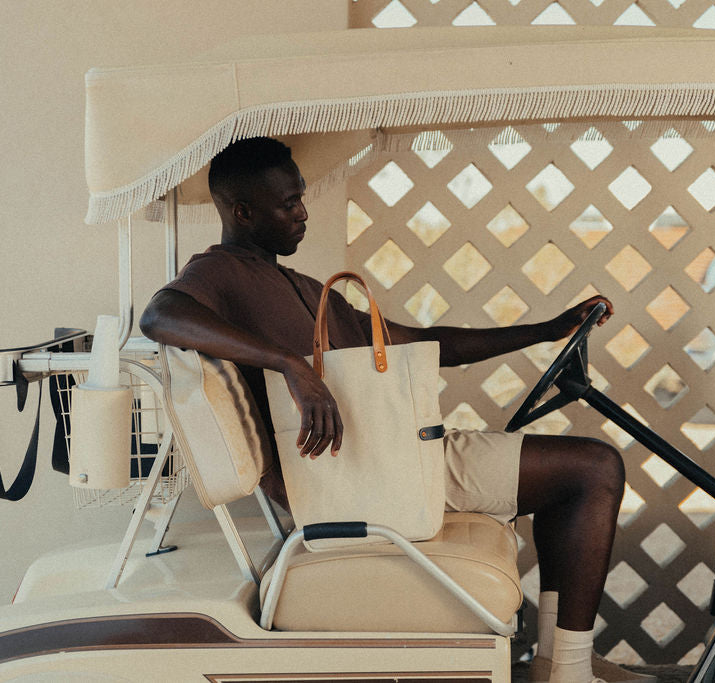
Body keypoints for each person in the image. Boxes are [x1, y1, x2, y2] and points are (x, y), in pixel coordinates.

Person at [140, 137, 650, 683]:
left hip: (392, 458)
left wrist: (546, 330)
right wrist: (290, 364)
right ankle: (568, 674)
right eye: (288, 204)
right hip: (356, 476)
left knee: (577, 472)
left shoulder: (307, 288)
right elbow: (160, 315)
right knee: (594, 468)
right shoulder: (218, 272)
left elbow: (427, 342)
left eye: (301, 199)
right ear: (243, 212)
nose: (302, 213)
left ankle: (558, 663)